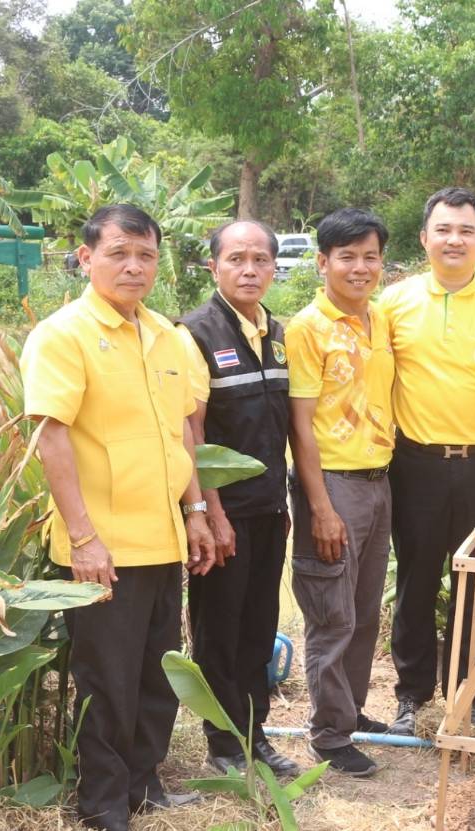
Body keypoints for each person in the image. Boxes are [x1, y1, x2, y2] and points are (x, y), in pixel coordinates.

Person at [22, 203, 217, 831]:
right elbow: (51, 437)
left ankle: (143, 784)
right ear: (86, 258)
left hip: (162, 539)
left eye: (146, 255)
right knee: (106, 682)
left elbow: (181, 432)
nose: (134, 267)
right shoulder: (63, 335)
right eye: (119, 253)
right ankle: (104, 811)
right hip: (101, 547)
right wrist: (83, 537)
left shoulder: (168, 336)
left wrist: (195, 512)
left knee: (156, 675)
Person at [383, 188, 475, 737]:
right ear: (424, 238)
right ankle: (411, 695)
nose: (454, 240)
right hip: (415, 463)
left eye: (466, 230)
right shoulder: (392, 304)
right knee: (415, 581)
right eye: (443, 229)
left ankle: (470, 694)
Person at [176, 219, 301, 781]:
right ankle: (223, 742)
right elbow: (192, 431)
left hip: (270, 509)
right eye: (236, 259)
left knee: (258, 626)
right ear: (214, 267)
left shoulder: (276, 332)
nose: (249, 270)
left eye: (260, 260)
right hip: (225, 515)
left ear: (274, 267)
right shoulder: (195, 333)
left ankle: (255, 734)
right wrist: (210, 513)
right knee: (219, 631)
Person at [284, 207, 396, 778]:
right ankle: (328, 733)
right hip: (332, 484)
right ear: (322, 262)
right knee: (332, 613)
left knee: (365, 610)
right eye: (347, 257)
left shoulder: (380, 319)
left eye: (370, 257)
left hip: (378, 481)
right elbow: (300, 426)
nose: (360, 268)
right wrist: (320, 507)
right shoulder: (307, 328)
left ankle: (350, 710)